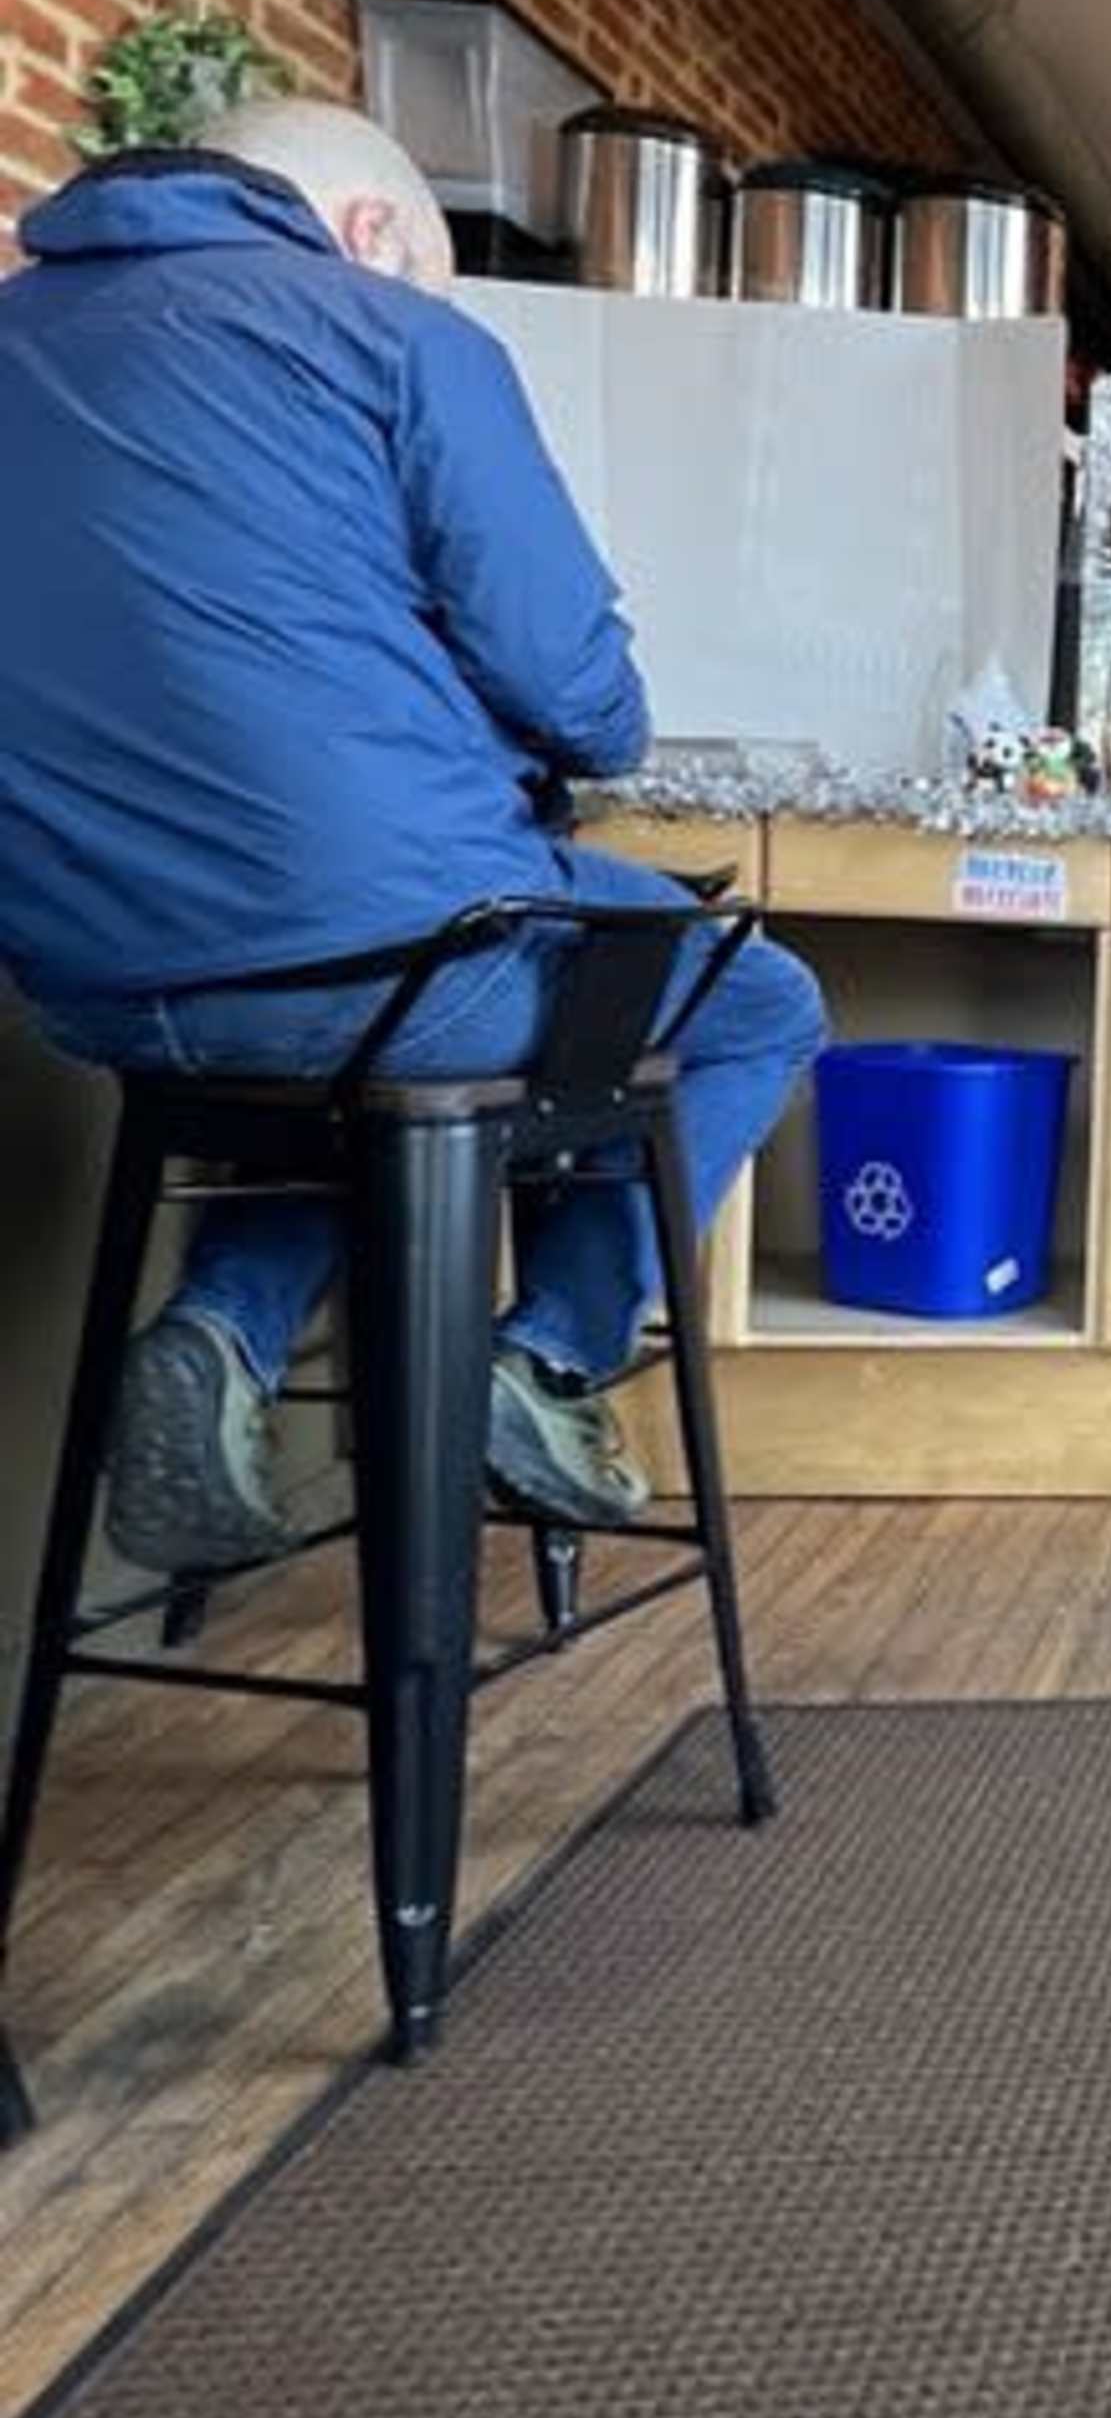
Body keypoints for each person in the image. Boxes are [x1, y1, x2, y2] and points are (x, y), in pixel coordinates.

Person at [0, 102, 823, 1579]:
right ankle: (546, 1360)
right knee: (744, 998)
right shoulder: (392, 337)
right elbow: (584, 698)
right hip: (389, 952)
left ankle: (221, 1335)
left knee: (372, 1054)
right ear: (376, 235)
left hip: (89, 984)